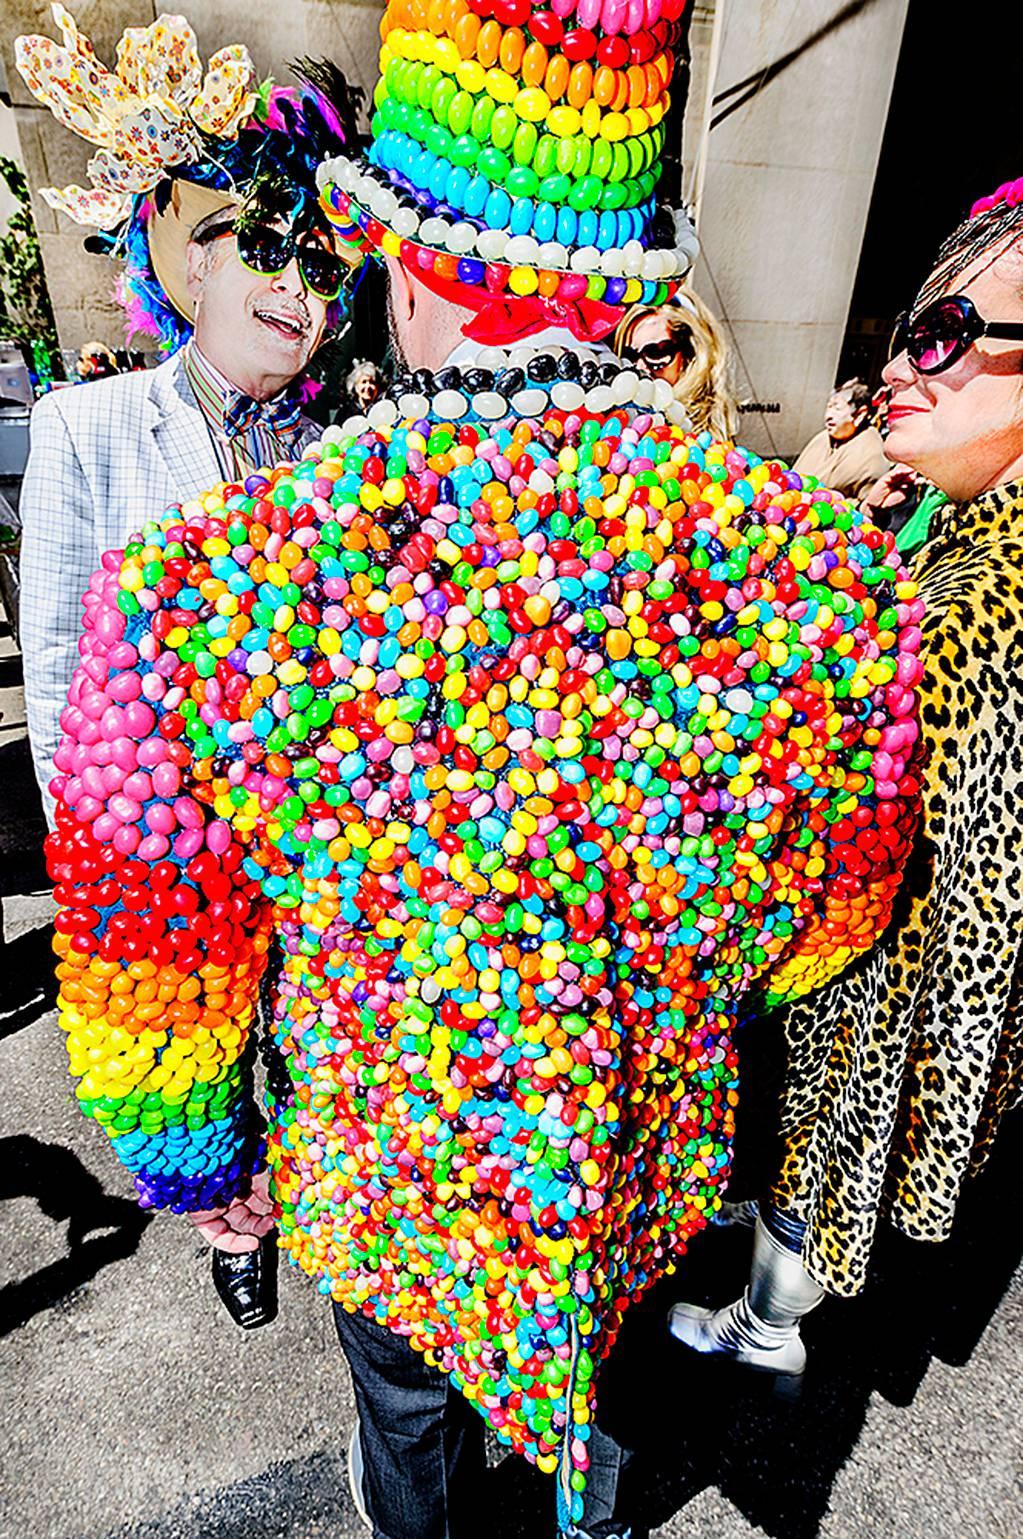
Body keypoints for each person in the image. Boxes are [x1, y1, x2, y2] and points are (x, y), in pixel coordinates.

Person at [39, 5, 923, 1539]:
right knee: (597, 1379)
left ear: (404, 247)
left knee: (406, 1413)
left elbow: (146, 966)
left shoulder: (204, 588)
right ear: (622, 265)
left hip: (387, 1185)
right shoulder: (818, 585)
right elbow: (829, 923)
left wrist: (204, 1165)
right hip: (626, 1166)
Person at [668, 175, 1023, 1383]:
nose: (903, 365)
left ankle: (767, 1333)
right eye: (901, 336)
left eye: (948, 336)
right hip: (889, 993)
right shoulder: (975, 541)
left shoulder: (977, 608)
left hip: (870, 1001)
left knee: (816, 1166)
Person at [16, 7, 365, 825]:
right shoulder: (81, 427)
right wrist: (98, 855)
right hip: (154, 877)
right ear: (199, 268)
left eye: (320, 270)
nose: (295, 288)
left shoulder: (338, 463)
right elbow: (58, 674)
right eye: (269, 251)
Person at [612, 289, 738, 440]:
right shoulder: (617, 421)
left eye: (655, 353)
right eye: (629, 355)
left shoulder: (704, 437)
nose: (639, 367)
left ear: (689, 353)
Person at [792, 377, 890, 505]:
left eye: (837, 409)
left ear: (859, 414)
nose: (828, 416)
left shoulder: (872, 453)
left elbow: (867, 507)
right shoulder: (823, 438)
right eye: (829, 407)